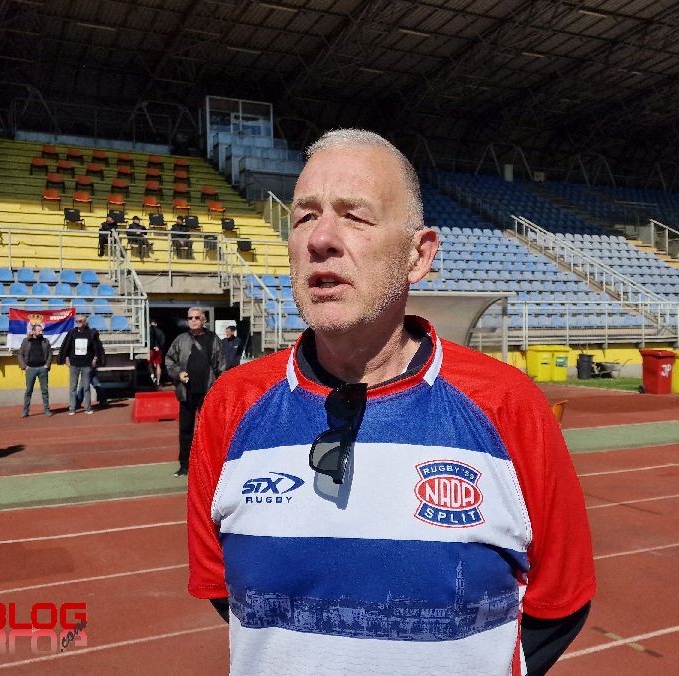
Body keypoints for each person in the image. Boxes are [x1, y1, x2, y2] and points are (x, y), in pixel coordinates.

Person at [187, 130, 595, 675]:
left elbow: (560, 601)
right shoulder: (230, 405)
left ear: (417, 255)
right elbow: (227, 592)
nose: (320, 238)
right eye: (304, 216)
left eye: (354, 216)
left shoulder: (508, 404)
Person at [165, 307, 225, 477]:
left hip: (208, 393)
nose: (193, 320)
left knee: (209, 431)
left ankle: (212, 465)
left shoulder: (213, 339)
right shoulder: (181, 339)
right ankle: (185, 466)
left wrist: (220, 390)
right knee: (185, 431)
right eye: (190, 318)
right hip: (186, 392)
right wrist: (178, 373)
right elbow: (169, 359)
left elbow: (221, 365)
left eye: (197, 317)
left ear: (204, 320)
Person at [58, 315, 104, 415]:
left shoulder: (91, 333)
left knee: (86, 387)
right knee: (73, 387)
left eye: (80, 321)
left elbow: (96, 348)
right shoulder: (72, 333)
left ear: (85, 322)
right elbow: (67, 347)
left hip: (86, 364)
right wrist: (66, 358)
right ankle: (72, 408)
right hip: (74, 364)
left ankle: (88, 408)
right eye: (77, 321)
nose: (78, 323)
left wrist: (95, 359)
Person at [17, 322, 53, 417]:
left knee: (45, 391)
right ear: (33, 332)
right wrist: (24, 366)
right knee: (28, 391)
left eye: (41, 330)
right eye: (39, 330)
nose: (41, 332)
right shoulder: (26, 341)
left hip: (42, 369)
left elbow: (50, 353)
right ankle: (25, 411)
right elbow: (20, 354)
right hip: (30, 369)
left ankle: (47, 410)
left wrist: (47, 365)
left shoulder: (45, 341)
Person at [148, 319, 167, 387]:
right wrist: (159, 347)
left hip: (150, 350)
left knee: (149, 365)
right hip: (158, 349)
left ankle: (153, 378)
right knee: (158, 365)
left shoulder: (148, 331)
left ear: (150, 324)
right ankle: (158, 381)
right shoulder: (160, 331)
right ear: (156, 324)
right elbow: (163, 340)